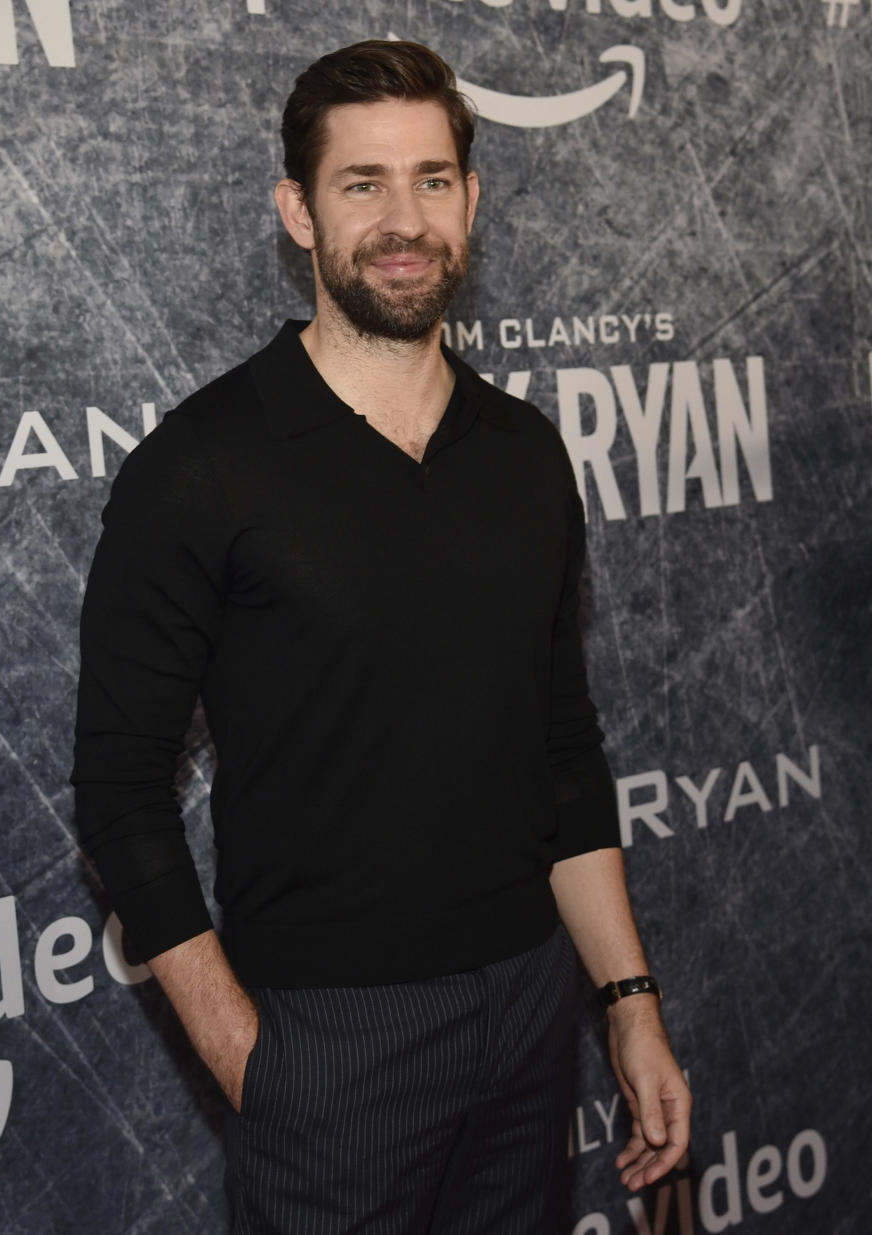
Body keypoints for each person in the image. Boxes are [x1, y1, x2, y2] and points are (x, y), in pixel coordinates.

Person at [72, 38, 691, 1234]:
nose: (403, 220)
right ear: (298, 213)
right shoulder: (201, 468)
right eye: (363, 184)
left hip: (528, 1015)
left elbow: (564, 752)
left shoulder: (525, 456)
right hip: (324, 1040)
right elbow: (118, 789)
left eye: (433, 179)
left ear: (472, 198)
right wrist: (250, 1053)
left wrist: (627, 1001)